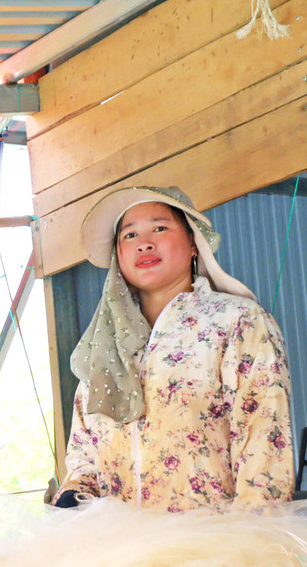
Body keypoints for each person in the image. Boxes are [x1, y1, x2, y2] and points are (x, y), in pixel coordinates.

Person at [53, 186, 293, 512]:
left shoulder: (238, 323)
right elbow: (84, 453)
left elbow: (264, 446)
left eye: (160, 228)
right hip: (119, 550)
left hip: (211, 547)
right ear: (117, 257)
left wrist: (246, 544)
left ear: (194, 242)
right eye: (129, 235)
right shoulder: (104, 343)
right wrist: (75, 492)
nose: (144, 242)